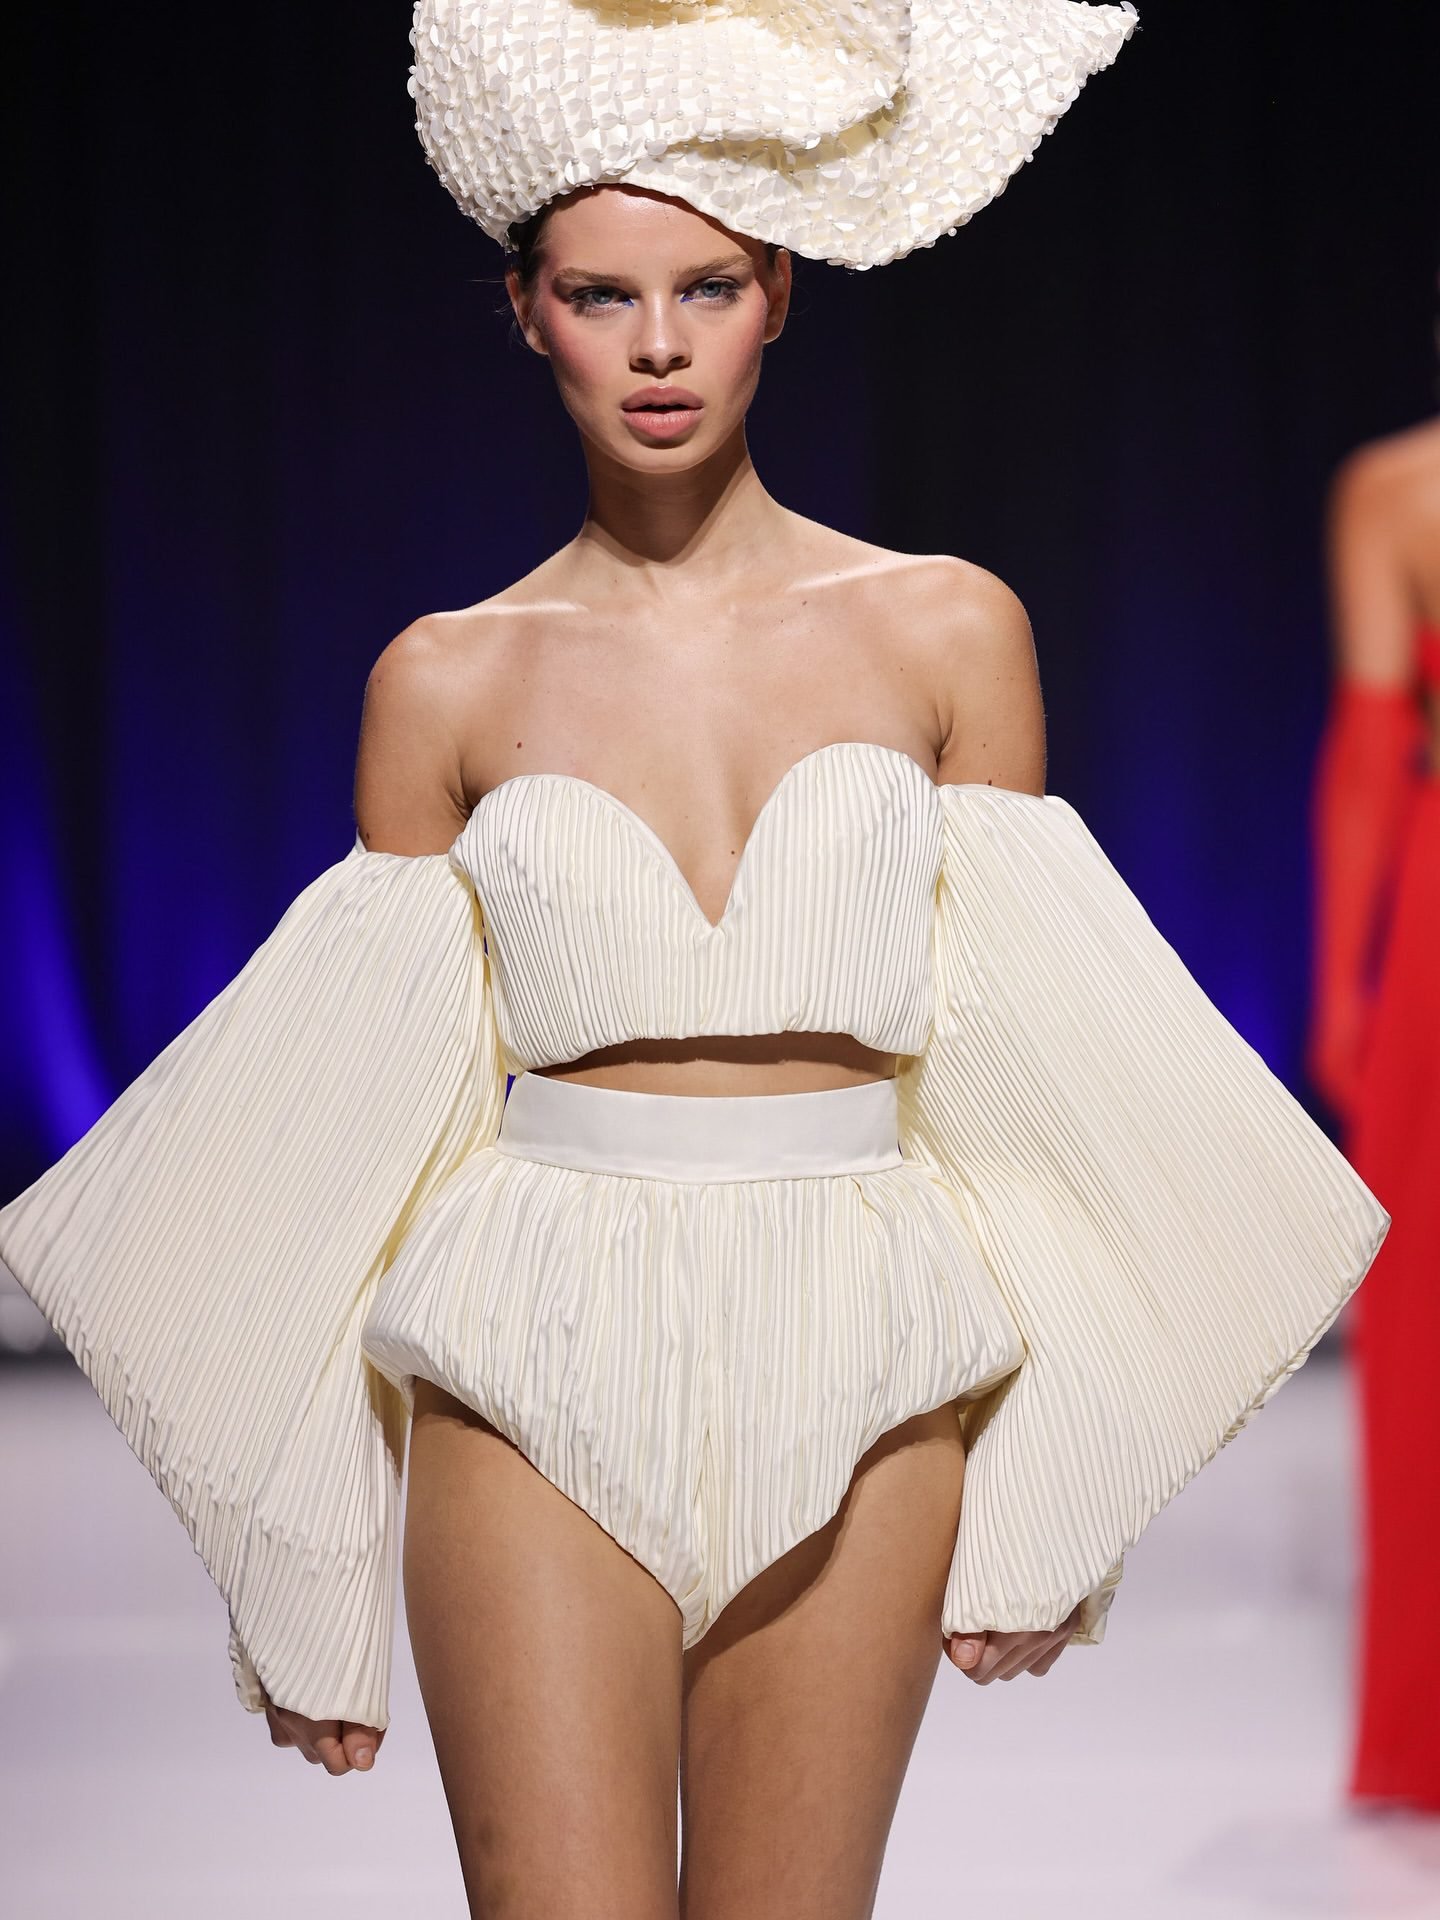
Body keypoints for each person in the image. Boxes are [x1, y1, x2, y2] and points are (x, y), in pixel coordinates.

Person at [0, 2, 1389, 1913]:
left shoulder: (946, 635)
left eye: (706, 288)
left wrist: (1056, 1481)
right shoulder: (446, 680)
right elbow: (356, 1114)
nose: (657, 345)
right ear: (527, 314)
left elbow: (1038, 1080)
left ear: (777, 297)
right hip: (532, 1334)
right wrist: (303, 1562)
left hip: (865, 1335)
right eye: (601, 295)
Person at [1310, 409, 1440, 1813]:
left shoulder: (1401, 492)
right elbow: (1371, 751)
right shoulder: (1393, 489)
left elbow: (1369, 757)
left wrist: (1348, 988)